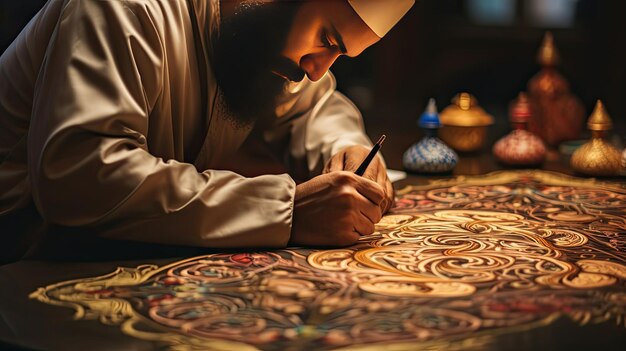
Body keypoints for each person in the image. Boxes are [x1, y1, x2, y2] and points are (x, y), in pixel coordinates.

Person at [0, 0, 414, 263]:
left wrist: (346, 148)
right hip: (21, 256)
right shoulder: (125, 8)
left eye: (338, 54)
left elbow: (312, 106)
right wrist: (287, 211)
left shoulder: (259, 32)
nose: (317, 68)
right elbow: (81, 175)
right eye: (327, 38)